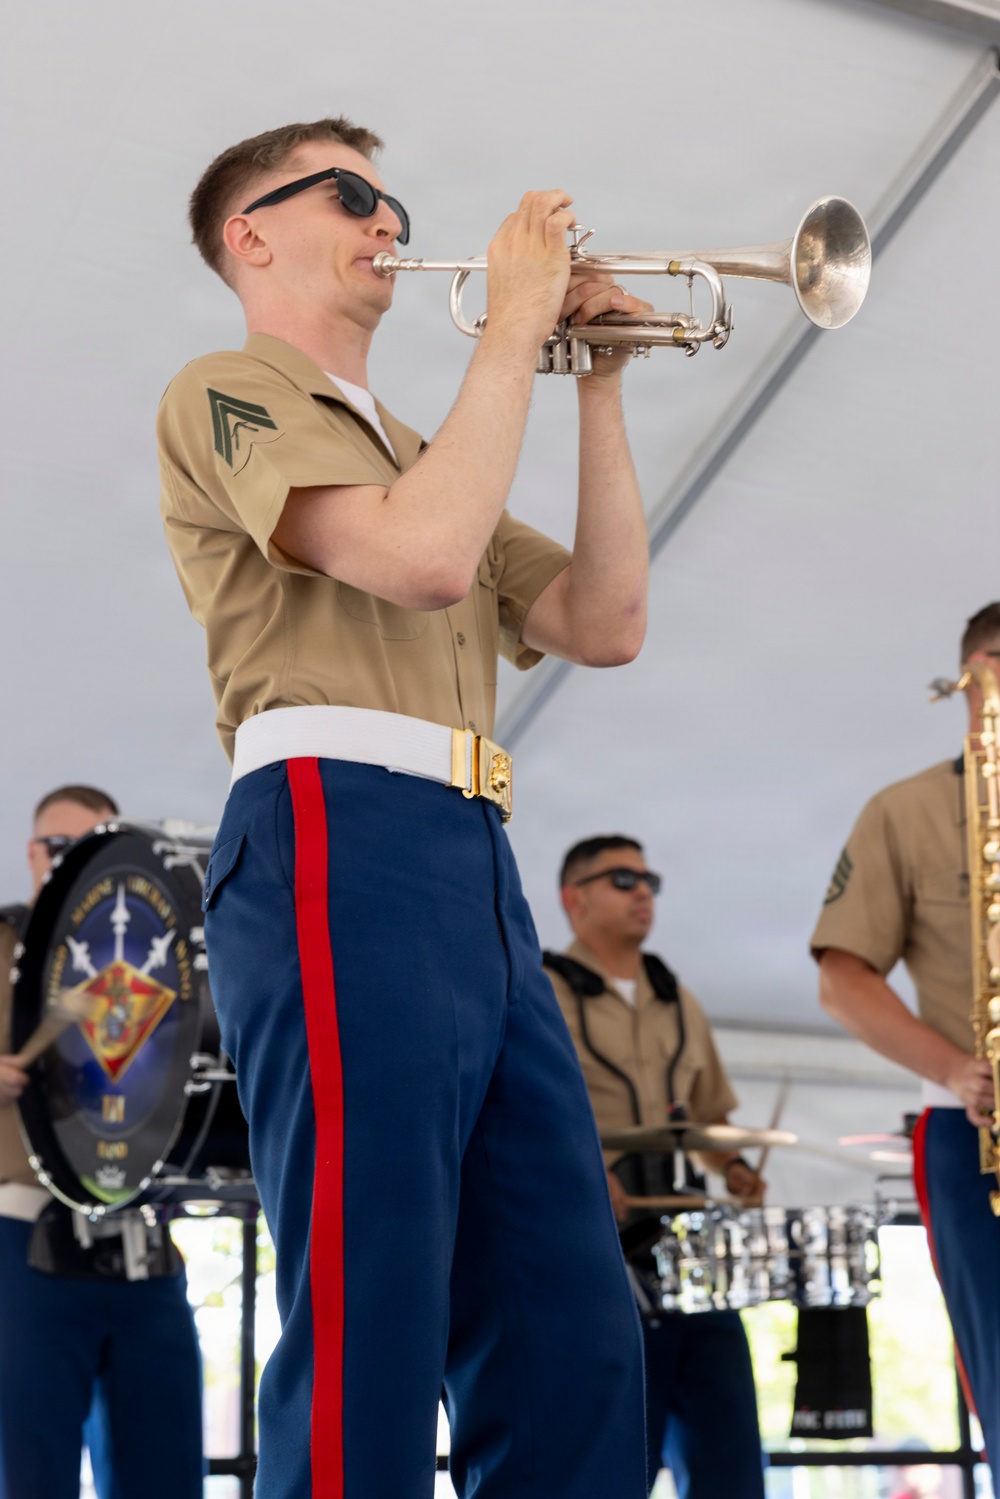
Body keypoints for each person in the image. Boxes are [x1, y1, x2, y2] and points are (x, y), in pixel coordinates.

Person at [157, 116, 651, 1498]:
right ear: (248, 232)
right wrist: (511, 327)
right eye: (354, 194)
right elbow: (426, 559)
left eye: (392, 199)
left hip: (469, 854)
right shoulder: (223, 389)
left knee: (567, 1312)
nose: (389, 220)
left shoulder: (432, 443)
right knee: (371, 1292)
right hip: (335, 828)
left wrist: (592, 383)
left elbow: (605, 619)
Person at [812, 601, 1000, 1488]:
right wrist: (957, 1069)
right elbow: (842, 978)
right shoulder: (906, 810)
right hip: (976, 1130)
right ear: (967, 678)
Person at [543, 834, 766, 1499]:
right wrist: (588, 1175)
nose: (643, 891)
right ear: (573, 898)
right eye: (621, 879)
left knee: (728, 1457)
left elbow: (705, 1118)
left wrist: (732, 1167)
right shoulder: (539, 988)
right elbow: (527, 1115)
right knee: (611, 1455)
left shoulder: (678, 996)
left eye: (648, 881)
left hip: (686, 1247)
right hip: (591, 1248)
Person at [0, 785, 203, 1499]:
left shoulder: (158, 952)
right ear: (30, 853)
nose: (71, 863)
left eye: (93, 848)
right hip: (23, 1242)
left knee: (166, 1471)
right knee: (30, 1470)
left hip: (142, 1241)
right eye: (59, 848)